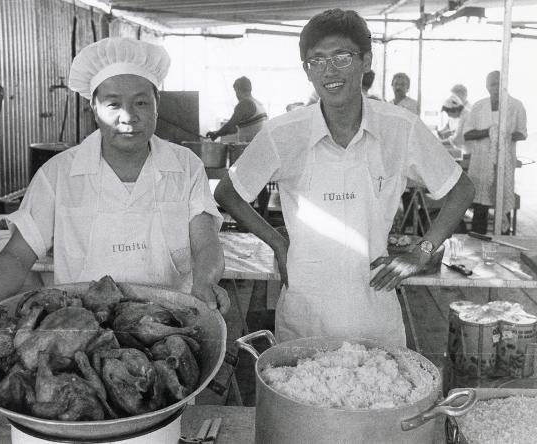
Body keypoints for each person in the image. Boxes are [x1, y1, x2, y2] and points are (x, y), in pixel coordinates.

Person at [214, 9, 474, 345]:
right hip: (305, 315)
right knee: (303, 392)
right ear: (307, 71)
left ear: (366, 61)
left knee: (379, 393)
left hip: (375, 313)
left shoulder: (399, 127)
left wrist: (421, 252)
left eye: (341, 56)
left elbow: (461, 189)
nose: (329, 71)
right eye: (316, 61)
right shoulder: (284, 133)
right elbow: (227, 192)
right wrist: (278, 242)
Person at [0, 38, 229, 332]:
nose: (128, 116)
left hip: (170, 324)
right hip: (80, 327)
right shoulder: (58, 174)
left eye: (140, 102)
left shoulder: (185, 166)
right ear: (94, 108)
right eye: (113, 104)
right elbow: (16, 254)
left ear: (157, 105)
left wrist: (205, 281)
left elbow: (206, 242)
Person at [464, 70, 527, 234]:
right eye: (493, 83)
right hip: (481, 164)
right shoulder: (478, 106)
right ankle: (477, 245)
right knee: (480, 207)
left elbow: (522, 133)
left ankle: (504, 243)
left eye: (500, 83)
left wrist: (505, 135)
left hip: (504, 164)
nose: (497, 87)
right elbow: (468, 133)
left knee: (503, 205)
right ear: (486, 86)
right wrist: (491, 132)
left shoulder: (516, 105)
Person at [206, 76, 268, 143]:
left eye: (236, 91)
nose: (236, 95)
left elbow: (230, 125)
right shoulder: (259, 104)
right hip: (260, 146)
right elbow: (234, 129)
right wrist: (217, 132)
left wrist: (216, 135)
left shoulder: (245, 103)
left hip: (252, 148)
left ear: (238, 90)